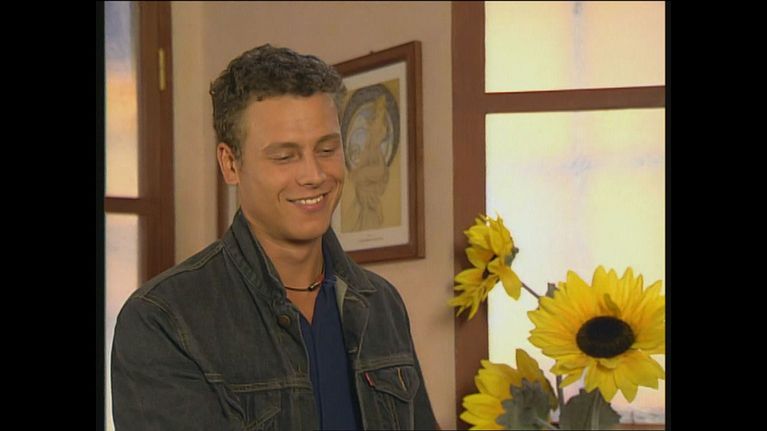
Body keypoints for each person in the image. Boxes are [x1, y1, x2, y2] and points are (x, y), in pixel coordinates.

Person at [110, 44, 438, 430]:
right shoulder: (162, 319)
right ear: (230, 164)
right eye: (285, 156)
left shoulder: (381, 303)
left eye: (327, 149)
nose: (314, 175)